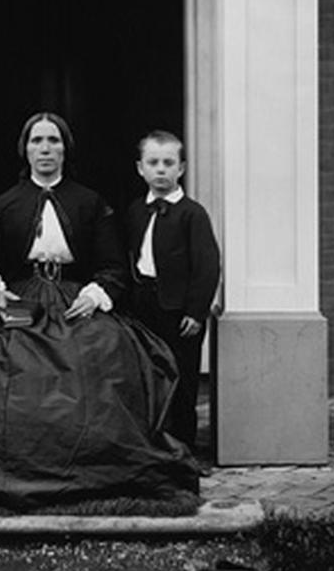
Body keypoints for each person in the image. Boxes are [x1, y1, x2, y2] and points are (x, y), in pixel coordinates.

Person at [0, 113, 200, 512]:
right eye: (37, 141)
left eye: (54, 141)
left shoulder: (91, 202)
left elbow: (113, 264)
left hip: (74, 297)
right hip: (19, 298)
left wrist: (96, 294)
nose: (45, 149)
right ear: (25, 149)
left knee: (107, 349)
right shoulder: (5, 204)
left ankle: (93, 463)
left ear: (65, 149)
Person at [126, 130, 220, 454]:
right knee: (148, 376)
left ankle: (184, 449)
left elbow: (208, 266)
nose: (161, 170)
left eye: (169, 163)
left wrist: (196, 311)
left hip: (180, 313)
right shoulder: (136, 211)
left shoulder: (192, 213)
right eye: (153, 162)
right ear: (141, 168)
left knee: (182, 379)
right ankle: (152, 446)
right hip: (144, 305)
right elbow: (131, 258)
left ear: (181, 168)